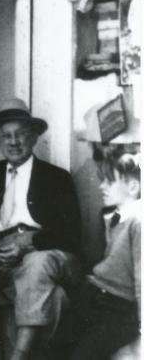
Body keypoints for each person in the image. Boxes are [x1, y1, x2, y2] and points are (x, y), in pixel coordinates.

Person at [0, 98, 82, 360]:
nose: (13, 142)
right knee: (56, 299)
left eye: (21, 134)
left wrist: (31, 241)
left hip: (54, 257)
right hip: (6, 267)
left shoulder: (57, 178)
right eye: (6, 136)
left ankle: (19, 355)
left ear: (34, 137)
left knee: (38, 262)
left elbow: (72, 235)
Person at [67, 147, 140, 360]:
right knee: (55, 346)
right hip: (96, 296)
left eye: (109, 181)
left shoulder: (138, 223)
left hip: (120, 308)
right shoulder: (115, 217)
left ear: (133, 186)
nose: (101, 186)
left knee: (83, 355)